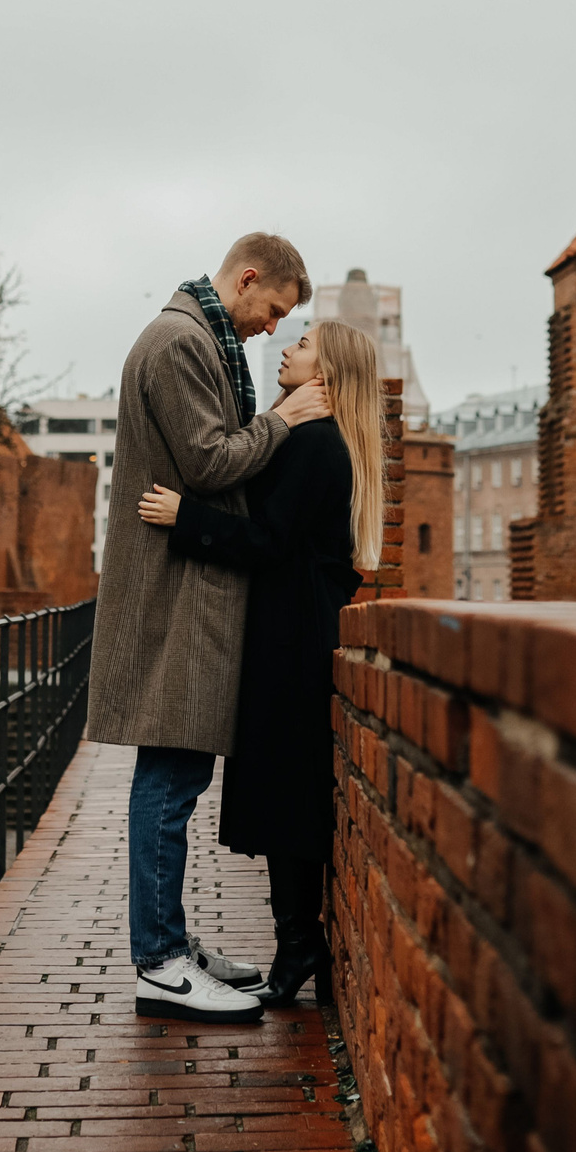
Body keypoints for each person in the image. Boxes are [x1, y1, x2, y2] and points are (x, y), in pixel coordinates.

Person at [88, 233, 332, 1025]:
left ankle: (171, 942)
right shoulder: (180, 342)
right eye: (273, 310)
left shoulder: (194, 338)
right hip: (174, 599)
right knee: (168, 782)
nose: (271, 329)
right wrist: (288, 419)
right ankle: (158, 962)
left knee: (177, 778)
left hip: (183, 592)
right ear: (249, 278)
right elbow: (211, 462)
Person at [138, 317, 380, 1006]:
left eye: (302, 345)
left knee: (289, 789)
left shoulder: (316, 445)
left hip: (294, 632)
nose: (287, 348)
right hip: (295, 623)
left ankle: (298, 944)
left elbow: (269, 540)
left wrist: (187, 518)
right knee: (288, 786)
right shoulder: (314, 439)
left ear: (327, 375)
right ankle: (295, 942)